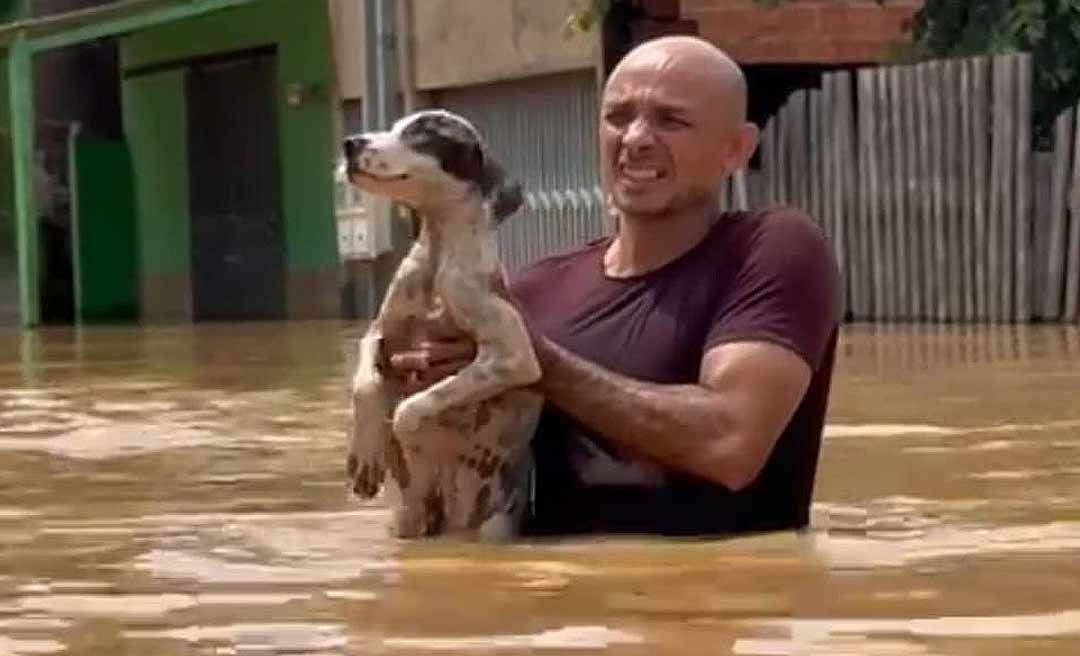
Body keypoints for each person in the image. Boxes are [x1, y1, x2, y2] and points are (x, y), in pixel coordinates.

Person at [387, 36, 842, 538]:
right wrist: (414, 380)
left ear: (736, 149)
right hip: (551, 601)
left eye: (671, 120)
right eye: (618, 117)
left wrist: (535, 362)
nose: (636, 139)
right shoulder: (531, 291)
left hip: (710, 605)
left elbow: (730, 444)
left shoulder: (772, 249)